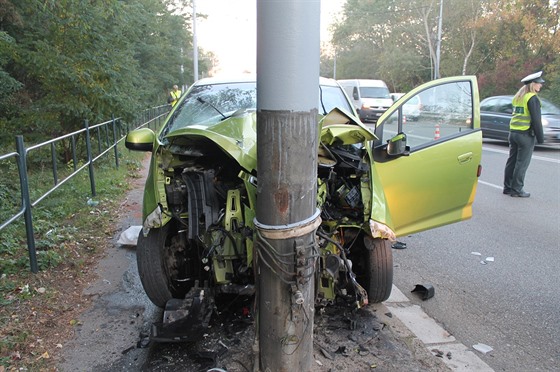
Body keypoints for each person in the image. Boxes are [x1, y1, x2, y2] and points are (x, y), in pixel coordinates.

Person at [503, 71, 545, 198]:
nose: (541, 85)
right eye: (539, 83)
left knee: (512, 161)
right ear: (533, 84)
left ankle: (508, 187)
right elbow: (536, 120)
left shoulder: (518, 97)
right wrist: (540, 138)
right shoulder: (532, 98)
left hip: (513, 133)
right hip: (525, 135)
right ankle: (517, 189)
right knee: (522, 163)